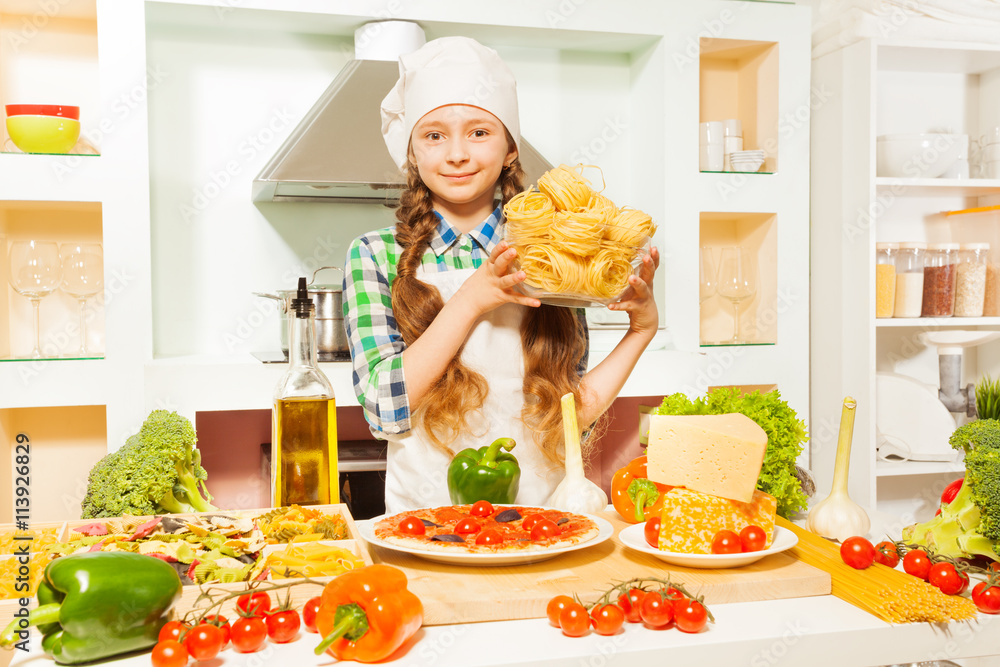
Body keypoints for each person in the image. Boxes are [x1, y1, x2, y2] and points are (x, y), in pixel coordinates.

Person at [343, 36, 659, 513]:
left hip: (547, 518)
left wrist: (641, 330)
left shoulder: (552, 247)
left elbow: (566, 415)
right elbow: (385, 410)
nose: (456, 154)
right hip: (428, 524)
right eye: (433, 135)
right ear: (411, 152)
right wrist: (471, 299)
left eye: (478, 132)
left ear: (511, 148)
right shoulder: (375, 254)